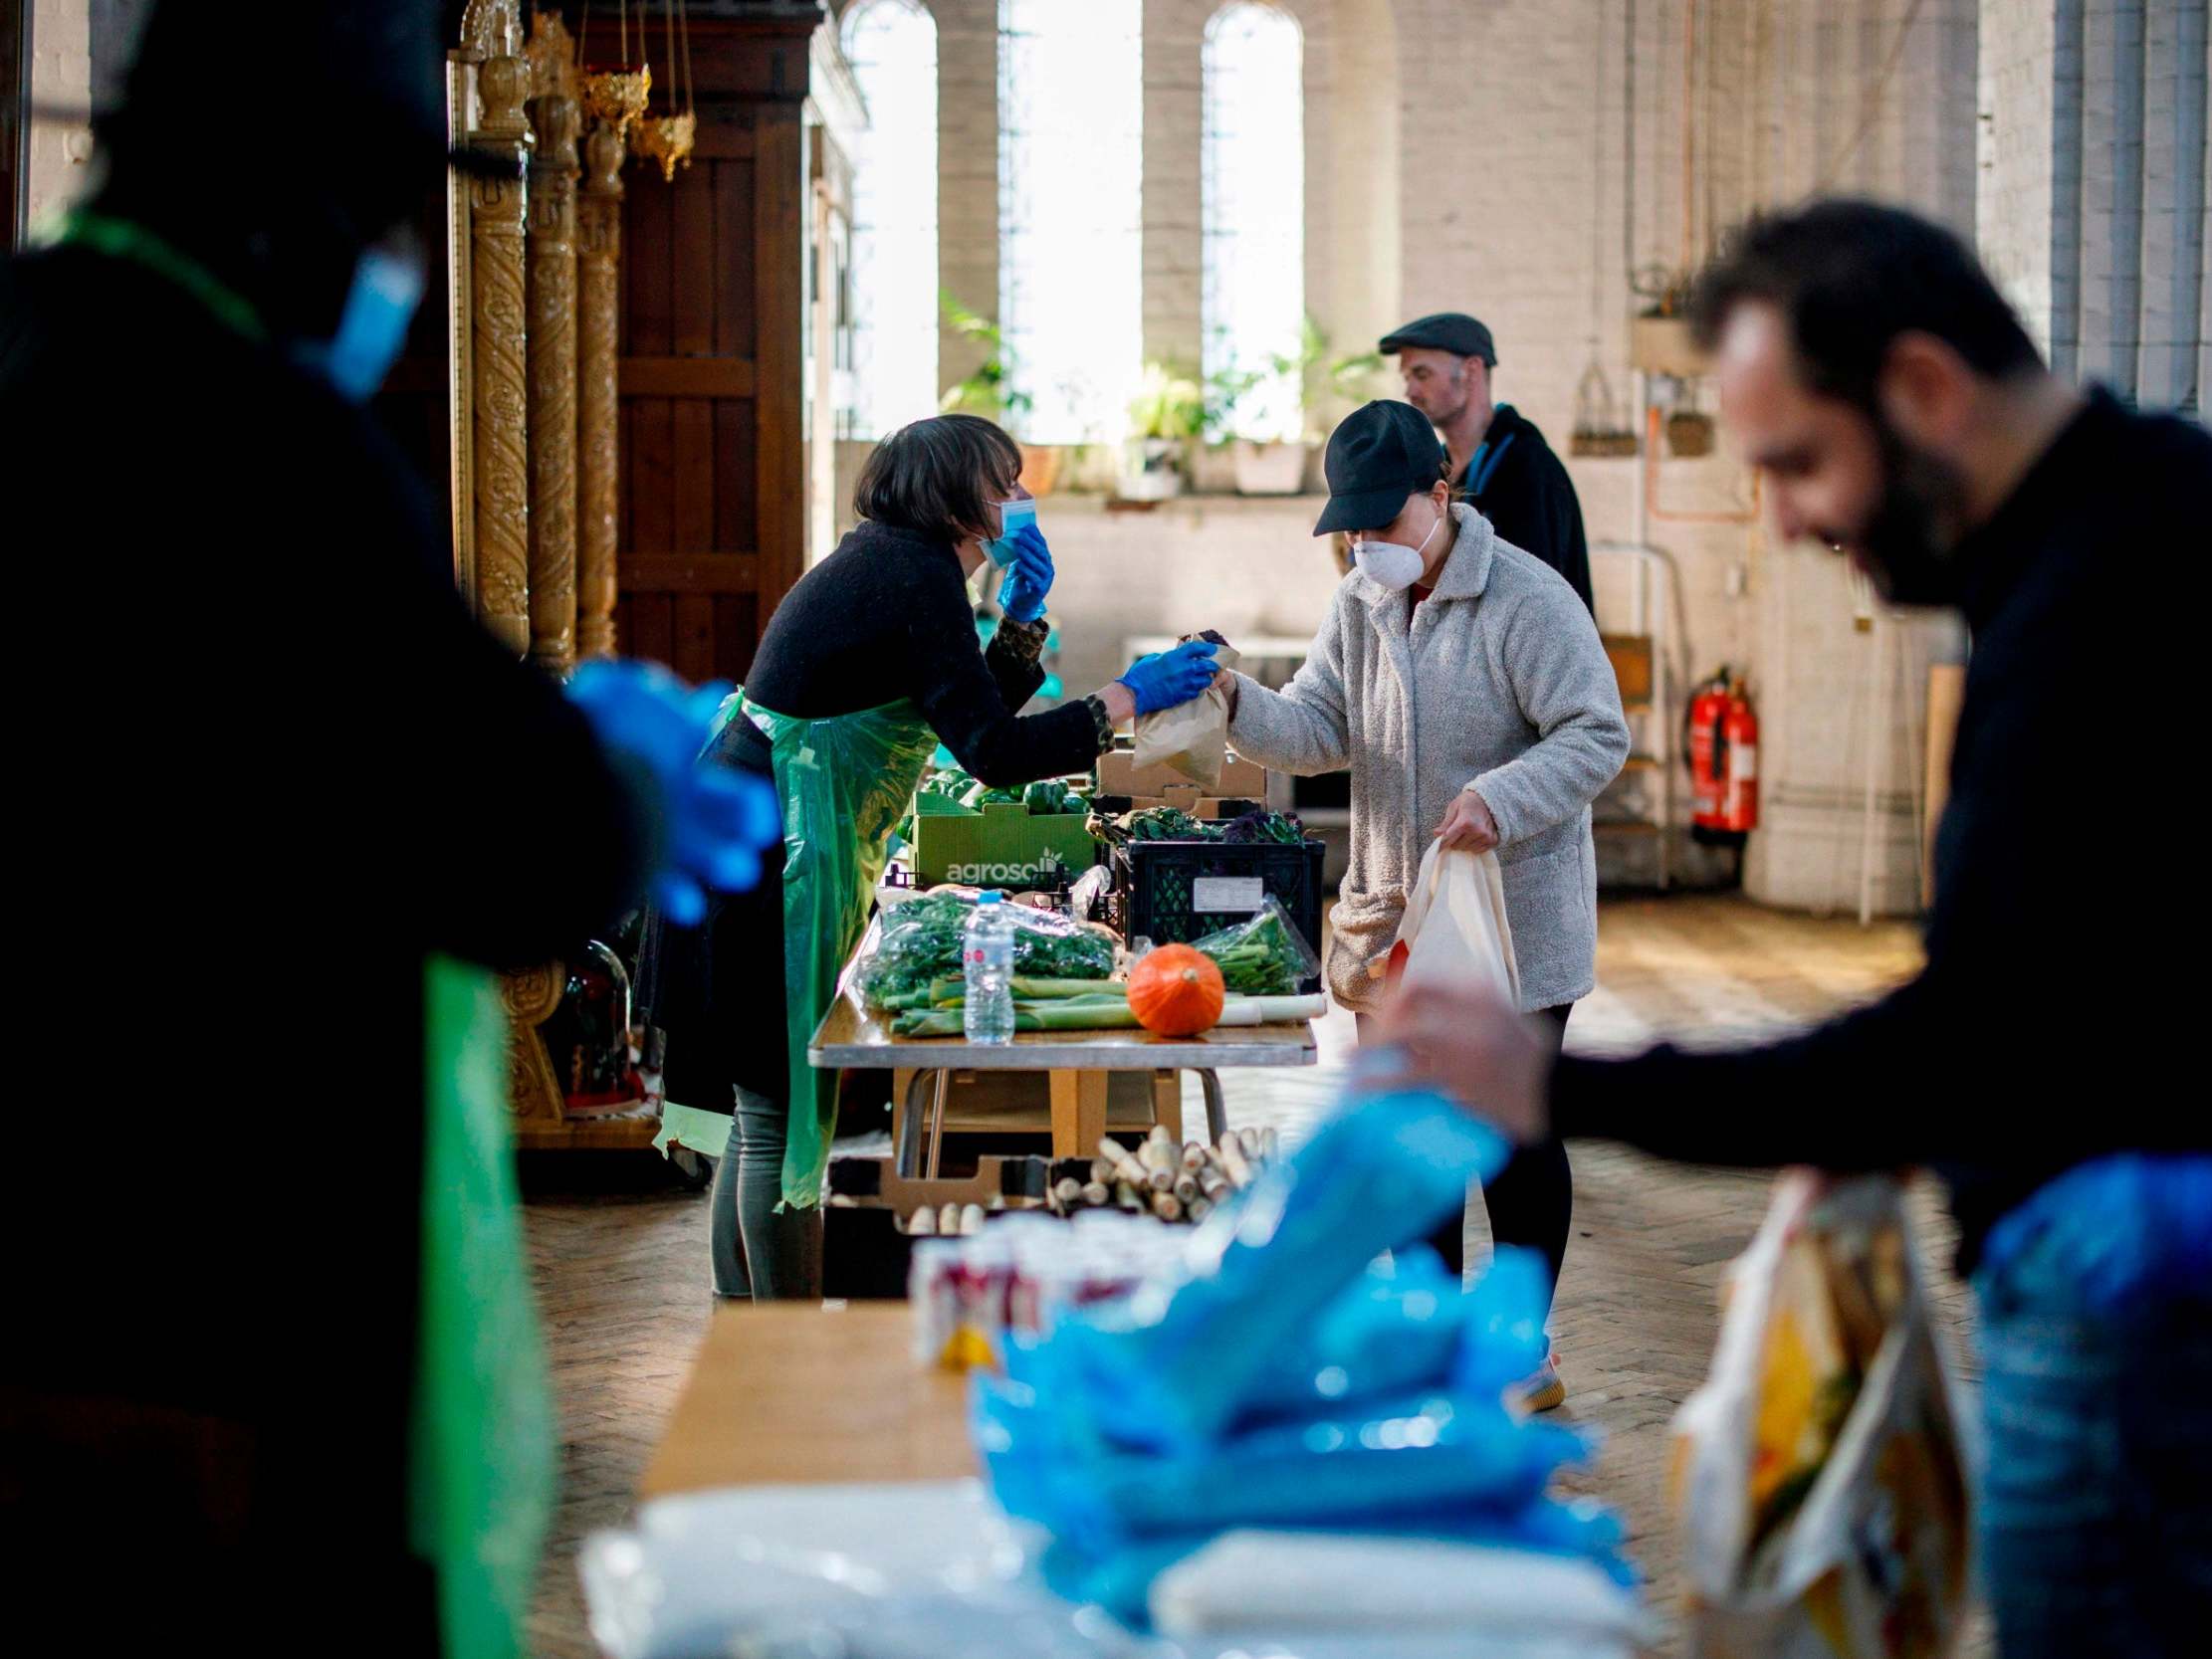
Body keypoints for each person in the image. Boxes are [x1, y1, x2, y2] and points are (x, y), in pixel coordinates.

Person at [0, 5, 774, 1654]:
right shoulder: (255, 436)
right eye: (382, 224)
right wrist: (618, 778)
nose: (390, 272)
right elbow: (513, 849)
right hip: (214, 1261)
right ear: (308, 205)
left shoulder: (24, 341)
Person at [1377, 200, 2212, 1655]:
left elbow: (1973, 1034)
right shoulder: (2137, 517)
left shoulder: (2107, 592)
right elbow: (2093, 969)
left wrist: (1553, 1083)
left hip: (2132, 1311)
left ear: (1925, 390)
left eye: (1798, 464)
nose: (1786, 521)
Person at [641, 413, 1219, 1304]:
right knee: (777, 1115)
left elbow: (959, 709)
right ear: (956, 496)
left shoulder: (894, 561)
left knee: (765, 1115)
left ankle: (747, 1334)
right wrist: (1123, 698)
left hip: (758, 835)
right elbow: (989, 749)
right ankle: (777, 1347)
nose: (1021, 500)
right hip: (766, 856)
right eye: (1006, 481)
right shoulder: (912, 573)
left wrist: (1020, 621)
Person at [1219, 399, 1630, 1407]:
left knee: (1510, 1138)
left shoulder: (1526, 600)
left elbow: (1594, 734)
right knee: (1410, 1144)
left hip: (1508, 927)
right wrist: (1233, 699)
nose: (1365, 545)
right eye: (1350, 528)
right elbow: (1318, 727)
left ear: (1440, 492)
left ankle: (1520, 1343)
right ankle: (1423, 1340)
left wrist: (1497, 796)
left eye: (1383, 521)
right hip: (1391, 924)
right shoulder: (1358, 602)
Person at [1382, 311, 1595, 614]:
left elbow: (1537, 602)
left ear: (1470, 370)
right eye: (1407, 378)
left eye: (1422, 374)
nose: (1410, 391)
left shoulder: (1528, 469)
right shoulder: (1430, 472)